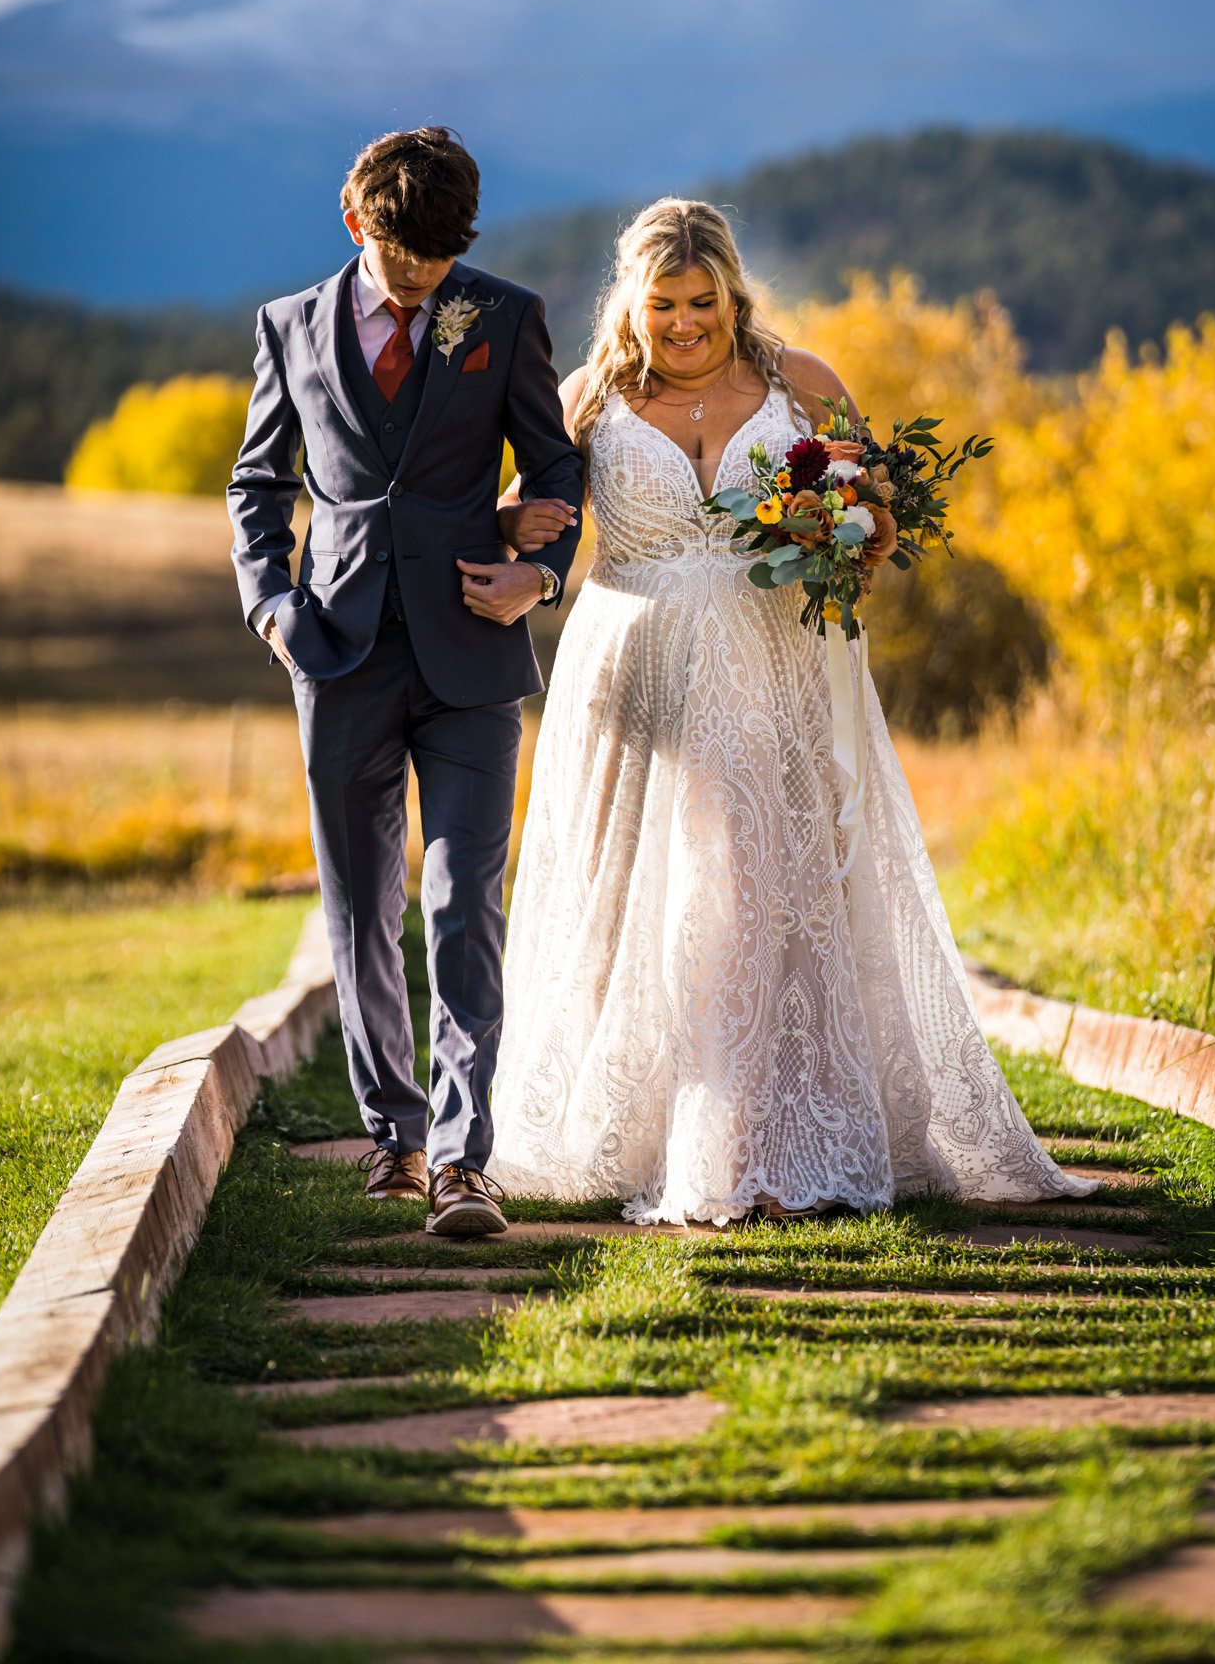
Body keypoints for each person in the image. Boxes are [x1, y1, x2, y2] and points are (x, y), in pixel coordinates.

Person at [489, 198, 1095, 1224]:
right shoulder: (585, 398)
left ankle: (755, 1137)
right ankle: (638, 1124)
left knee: (755, 887)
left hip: (773, 666)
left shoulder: (799, 384)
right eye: (663, 303)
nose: (685, 322)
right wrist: (510, 524)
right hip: (632, 678)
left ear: (733, 291)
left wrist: (848, 536)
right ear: (629, 302)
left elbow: (878, 511)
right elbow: (525, 518)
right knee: (638, 897)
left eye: (703, 301)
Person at [227, 127, 583, 1235]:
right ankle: (393, 1135)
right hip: (333, 652)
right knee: (359, 903)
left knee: (464, 898)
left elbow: (557, 460)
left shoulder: (506, 314)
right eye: (402, 259)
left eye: (441, 261)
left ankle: (465, 1156)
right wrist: (272, 607)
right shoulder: (288, 326)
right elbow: (257, 481)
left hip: (473, 650)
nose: (423, 279)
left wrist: (540, 571)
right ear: (356, 223)